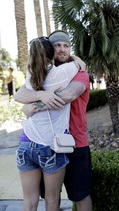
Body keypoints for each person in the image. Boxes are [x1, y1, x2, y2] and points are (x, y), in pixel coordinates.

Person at [15, 30, 93, 211]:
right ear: (50, 49)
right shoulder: (41, 74)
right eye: (57, 45)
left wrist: (32, 106)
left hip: (75, 142)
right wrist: (38, 96)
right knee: (51, 198)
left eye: (66, 46)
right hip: (48, 144)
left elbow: (68, 95)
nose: (62, 49)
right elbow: (19, 93)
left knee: (80, 195)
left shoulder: (78, 72)